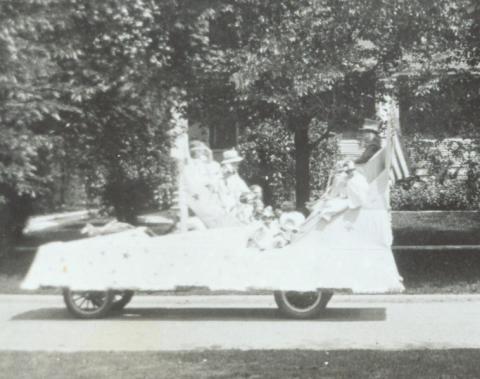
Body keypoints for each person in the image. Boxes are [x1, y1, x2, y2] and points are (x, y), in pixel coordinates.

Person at [299, 160, 369, 235]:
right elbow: (337, 192)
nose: (348, 173)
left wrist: (332, 196)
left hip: (346, 199)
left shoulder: (355, 179)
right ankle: (303, 225)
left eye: (350, 171)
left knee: (323, 206)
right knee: (320, 206)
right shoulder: (345, 179)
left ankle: (303, 226)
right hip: (341, 197)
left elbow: (349, 193)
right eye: (347, 172)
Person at [219, 149, 251, 213]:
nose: (237, 166)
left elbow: (246, 192)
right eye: (234, 164)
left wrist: (245, 198)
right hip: (222, 210)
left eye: (237, 164)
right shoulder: (218, 178)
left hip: (235, 210)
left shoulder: (236, 178)